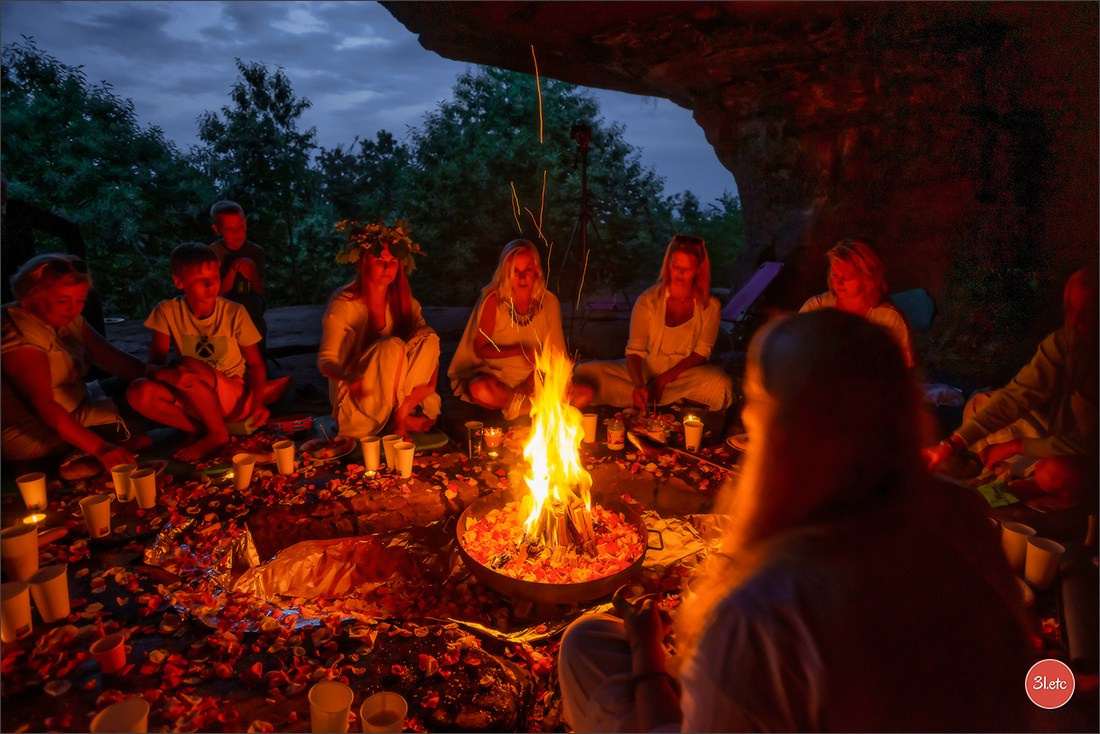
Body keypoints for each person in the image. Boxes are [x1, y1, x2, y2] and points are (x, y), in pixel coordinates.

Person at [559, 310, 1037, 733]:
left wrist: (647, 656)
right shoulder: (961, 513)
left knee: (584, 645)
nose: (748, 415)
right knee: (594, 636)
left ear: (783, 430)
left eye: (755, 403)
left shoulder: (765, 604)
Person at [926, 266, 1098, 505]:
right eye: (1070, 310)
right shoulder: (1065, 343)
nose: (1074, 321)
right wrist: (952, 444)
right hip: (1053, 437)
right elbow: (1017, 395)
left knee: (1054, 470)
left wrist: (1016, 446)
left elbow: (1088, 444)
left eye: (1088, 312)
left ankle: (1025, 484)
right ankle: (1004, 478)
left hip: (1085, 456)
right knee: (981, 402)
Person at [127, 243, 284, 461]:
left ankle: (217, 434)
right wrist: (166, 374)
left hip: (232, 398)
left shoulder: (234, 313)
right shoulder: (167, 311)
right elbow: (153, 366)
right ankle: (206, 429)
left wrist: (257, 402)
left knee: (186, 364)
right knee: (139, 391)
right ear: (179, 282)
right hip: (191, 394)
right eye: (201, 280)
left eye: (215, 277)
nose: (211, 285)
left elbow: (256, 365)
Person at [1, 253, 146, 469]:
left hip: (81, 402)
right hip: (35, 430)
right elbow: (44, 405)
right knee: (139, 431)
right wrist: (101, 448)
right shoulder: (18, 333)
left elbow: (116, 361)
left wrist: (161, 375)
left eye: (80, 300)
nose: (74, 309)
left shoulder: (66, 318)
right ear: (34, 295)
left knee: (146, 390)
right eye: (63, 301)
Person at [573, 234, 732, 412]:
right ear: (668, 264)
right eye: (676, 265)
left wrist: (663, 380)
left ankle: (662, 397)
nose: (680, 273)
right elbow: (634, 351)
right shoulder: (648, 301)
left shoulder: (710, 306)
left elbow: (701, 354)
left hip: (683, 375)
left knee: (720, 383)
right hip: (645, 370)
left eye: (687, 268)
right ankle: (665, 398)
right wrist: (639, 384)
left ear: (698, 269)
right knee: (587, 373)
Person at [318, 219, 441, 438]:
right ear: (363, 263)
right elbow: (326, 361)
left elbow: (429, 352)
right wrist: (349, 378)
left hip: (400, 394)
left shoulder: (406, 303)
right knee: (391, 346)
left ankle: (400, 414)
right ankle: (395, 419)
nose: (387, 267)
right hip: (364, 394)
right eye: (380, 260)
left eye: (393, 260)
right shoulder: (345, 304)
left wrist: (428, 388)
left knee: (429, 336)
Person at [448, 239, 592, 420]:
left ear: (536, 271)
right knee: (479, 389)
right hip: (498, 379)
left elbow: (555, 354)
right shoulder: (493, 300)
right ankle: (533, 408)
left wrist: (529, 383)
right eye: (515, 271)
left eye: (528, 270)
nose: (522, 277)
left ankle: (520, 407)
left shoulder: (549, 302)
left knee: (585, 393)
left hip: (536, 380)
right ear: (506, 273)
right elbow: (480, 349)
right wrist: (519, 350)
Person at [799, 238, 914, 367]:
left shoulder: (888, 319)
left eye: (847, 276)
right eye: (835, 275)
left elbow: (903, 368)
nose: (839, 282)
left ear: (867, 277)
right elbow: (792, 352)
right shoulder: (816, 308)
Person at [208, 200, 267, 348]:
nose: (236, 233)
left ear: (245, 224)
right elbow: (216, 295)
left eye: (239, 227)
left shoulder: (255, 251)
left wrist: (252, 271)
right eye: (229, 229)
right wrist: (232, 270)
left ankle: (257, 353)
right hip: (221, 302)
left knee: (250, 306)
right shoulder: (212, 253)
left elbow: (259, 291)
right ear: (217, 230)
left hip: (251, 302)